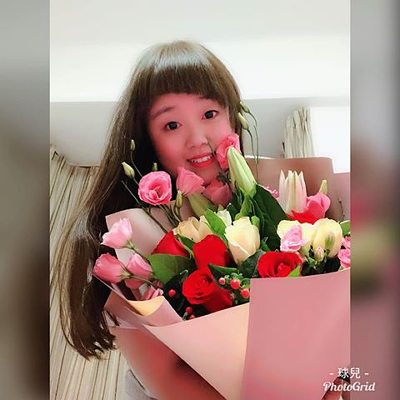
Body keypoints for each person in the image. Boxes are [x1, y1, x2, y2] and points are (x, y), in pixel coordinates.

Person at [55, 40, 343, 399]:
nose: (198, 138)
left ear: (232, 116)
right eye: (172, 124)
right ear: (147, 139)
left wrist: (331, 383)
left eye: (209, 114)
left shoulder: (278, 198)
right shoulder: (129, 238)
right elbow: (167, 378)